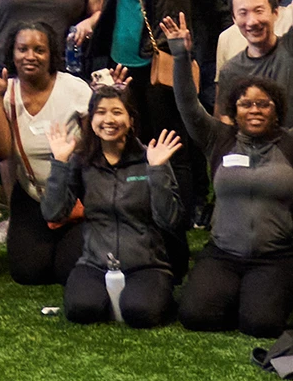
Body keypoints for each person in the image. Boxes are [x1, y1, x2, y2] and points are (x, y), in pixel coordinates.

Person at [165, 16, 293, 338]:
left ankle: (262, 294)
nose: (254, 110)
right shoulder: (218, 139)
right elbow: (188, 105)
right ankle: (235, 293)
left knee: (260, 325)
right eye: (245, 104)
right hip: (223, 254)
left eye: (263, 104)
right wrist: (180, 56)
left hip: (276, 258)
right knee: (195, 316)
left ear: (276, 110)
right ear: (234, 111)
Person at [36, 84, 183, 327]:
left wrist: (157, 172)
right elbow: (53, 212)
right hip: (95, 263)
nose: (109, 119)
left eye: (117, 112)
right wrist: (60, 163)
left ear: (131, 119)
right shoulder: (82, 161)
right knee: (81, 310)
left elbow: (170, 220)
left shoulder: (152, 158)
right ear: (91, 119)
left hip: (146, 265)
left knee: (140, 312)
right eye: (101, 112)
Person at [0, 19, 92, 287]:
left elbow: (95, 148)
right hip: (32, 196)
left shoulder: (74, 89)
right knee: (28, 274)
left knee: (68, 271)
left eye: (39, 50)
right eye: (22, 49)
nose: (30, 56)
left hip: (75, 196)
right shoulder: (5, 91)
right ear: (12, 54)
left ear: (51, 55)